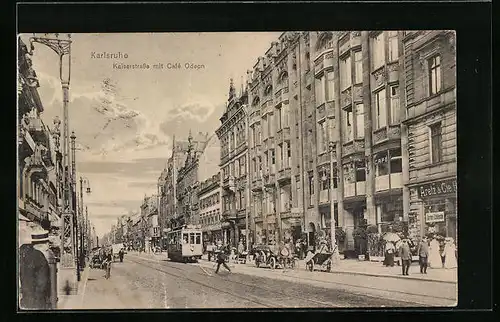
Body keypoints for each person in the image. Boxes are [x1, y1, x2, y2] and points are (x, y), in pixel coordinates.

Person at [19, 230, 52, 310]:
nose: (48, 247)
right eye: (47, 244)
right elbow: (42, 283)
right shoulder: (40, 257)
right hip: (38, 301)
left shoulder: (24, 254)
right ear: (43, 244)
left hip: (26, 300)